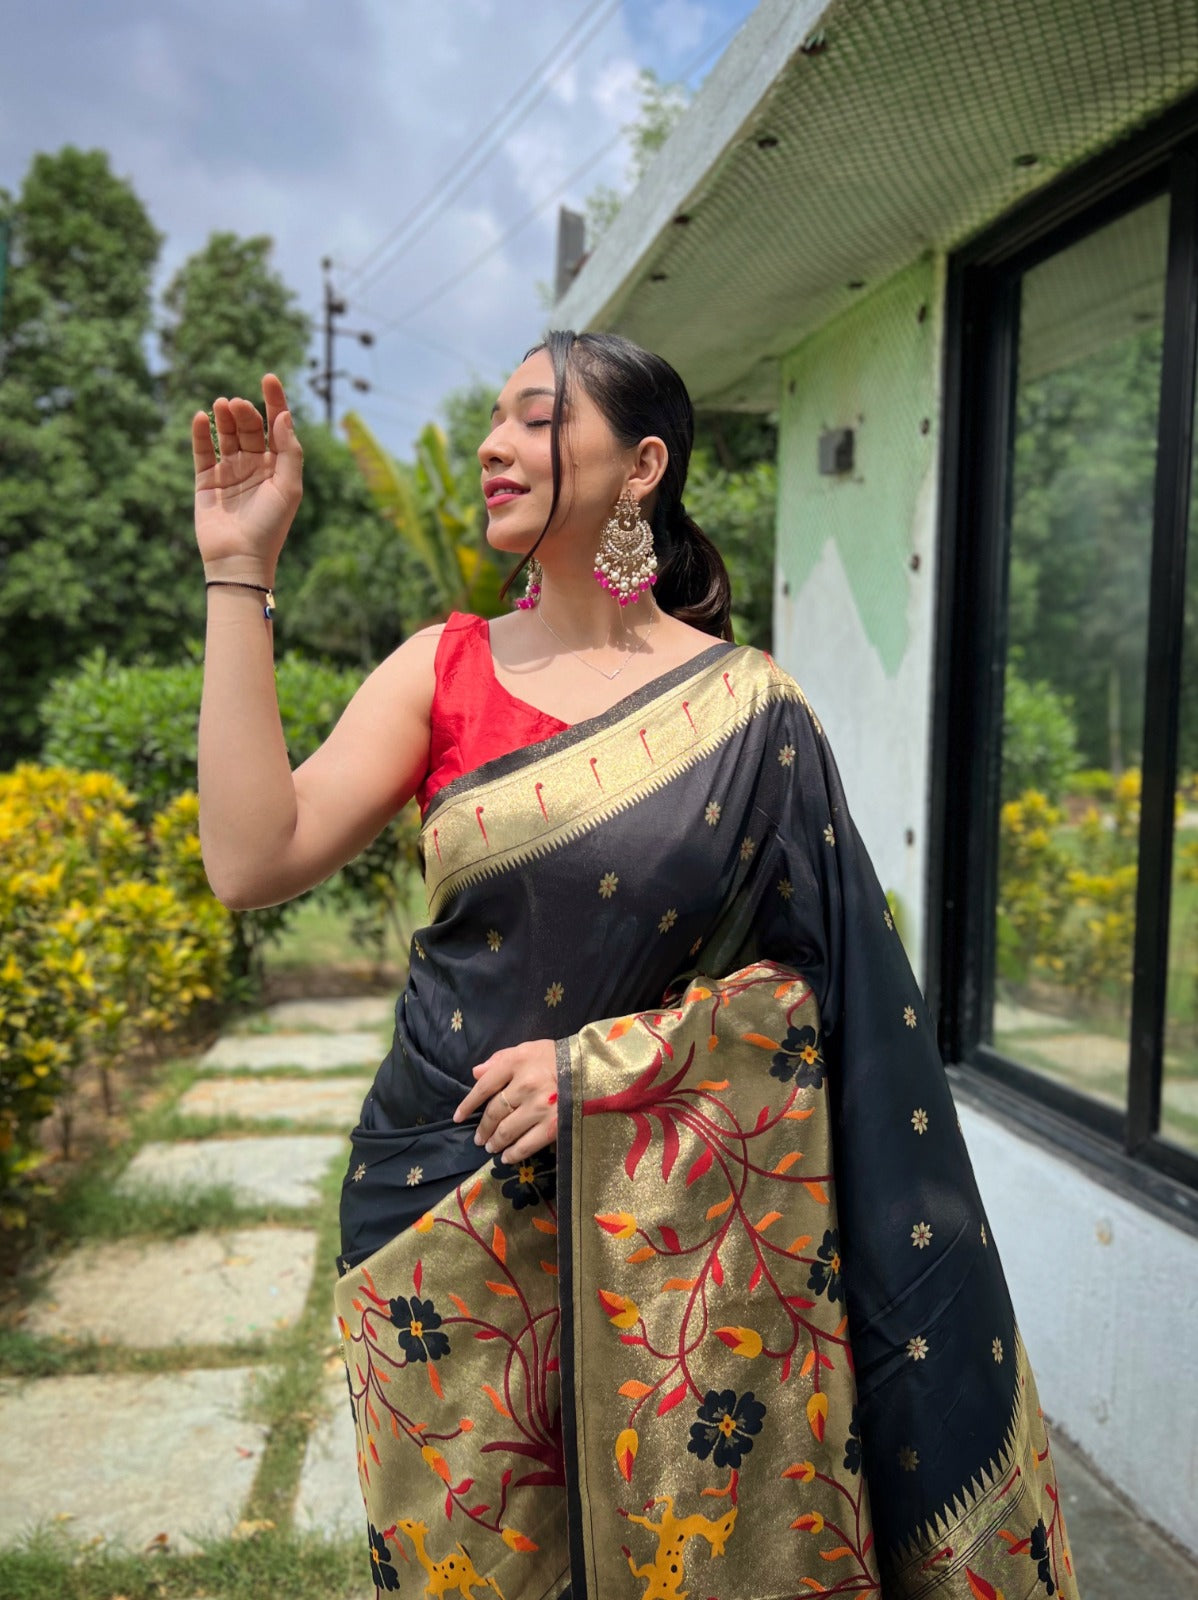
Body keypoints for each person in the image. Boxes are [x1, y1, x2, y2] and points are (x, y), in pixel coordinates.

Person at [194, 331, 1078, 1600]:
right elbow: (250, 857)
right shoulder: (443, 668)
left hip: (675, 1252)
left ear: (641, 465)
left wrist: (607, 1072)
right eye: (493, 418)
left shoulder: (749, 711)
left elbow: (824, 1003)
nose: (493, 445)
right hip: (439, 1215)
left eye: (536, 418)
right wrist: (239, 570)